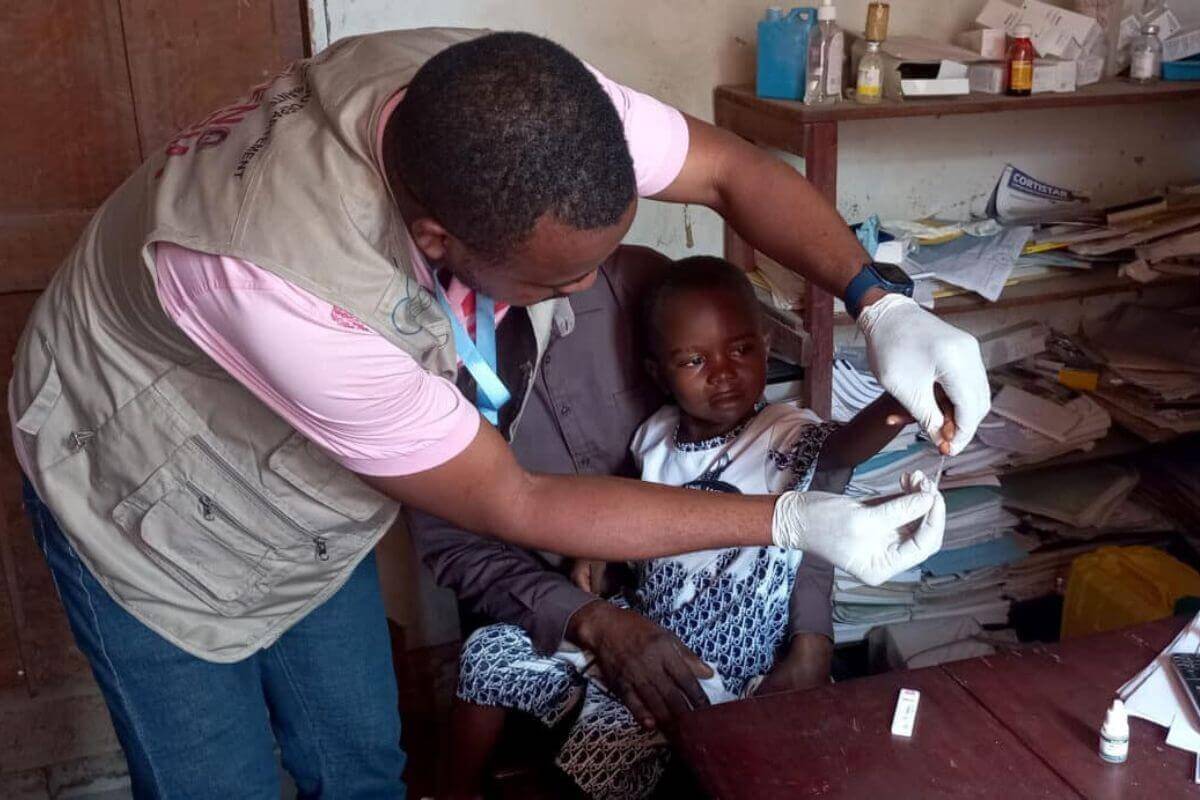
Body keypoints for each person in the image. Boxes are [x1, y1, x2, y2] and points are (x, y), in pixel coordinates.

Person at [10, 29, 981, 797]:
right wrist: (795, 517)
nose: (598, 288)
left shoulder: (522, 109)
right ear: (439, 239)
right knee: (213, 785)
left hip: (302, 496)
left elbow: (732, 171)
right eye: (562, 275)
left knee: (357, 758)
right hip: (148, 495)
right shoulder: (288, 287)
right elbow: (509, 498)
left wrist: (879, 299)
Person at [445, 257, 945, 799]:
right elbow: (628, 520)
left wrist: (903, 403)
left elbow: (840, 451)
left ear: (764, 346)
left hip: (724, 678)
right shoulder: (653, 438)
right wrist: (603, 555)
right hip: (640, 638)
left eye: (741, 350)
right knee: (487, 653)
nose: (724, 372)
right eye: (693, 361)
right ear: (659, 373)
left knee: (613, 767)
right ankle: (450, 788)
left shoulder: (783, 432)